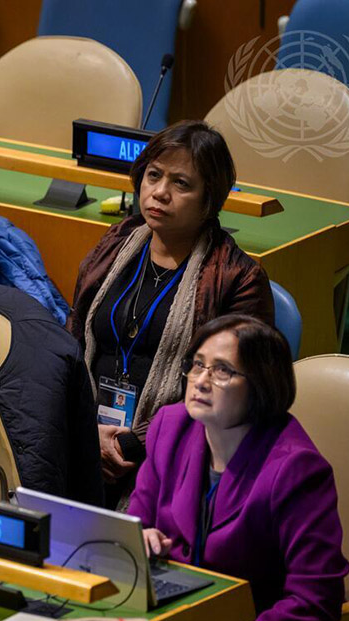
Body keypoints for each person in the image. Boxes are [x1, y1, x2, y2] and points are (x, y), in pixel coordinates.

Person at [65, 120, 274, 506]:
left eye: (181, 184)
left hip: (179, 452)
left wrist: (132, 441)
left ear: (210, 200)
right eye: (153, 175)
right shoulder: (116, 243)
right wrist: (83, 428)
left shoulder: (238, 278)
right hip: (85, 435)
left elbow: (233, 389)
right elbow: (73, 338)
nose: (160, 192)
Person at [129, 315, 349, 621]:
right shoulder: (169, 426)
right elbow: (133, 523)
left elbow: (317, 596)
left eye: (222, 371)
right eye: (197, 365)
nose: (200, 381)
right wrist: (141, 538)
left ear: (261, 385)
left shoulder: (295, 469)